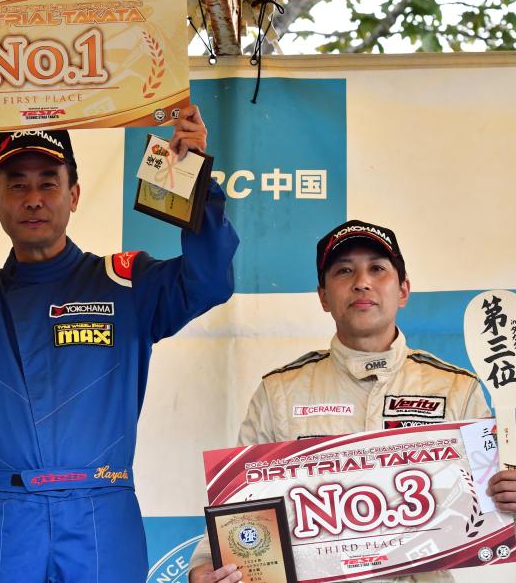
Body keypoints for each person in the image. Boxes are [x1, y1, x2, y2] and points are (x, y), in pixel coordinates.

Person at [0, 106, 239, 582]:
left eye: (48, 183)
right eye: (16, 185)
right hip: (1, 516)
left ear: (74, 195)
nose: (33, 199)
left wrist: (193, 172)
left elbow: (209, 280)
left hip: (102, 513)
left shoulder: (127, 284)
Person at [189, 219, 516, 583]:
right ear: (323, 296)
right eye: (344, 270)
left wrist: (510, 498)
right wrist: (207, 564)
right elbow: (241, 508)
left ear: (403, 290)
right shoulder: (279, 392)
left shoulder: (456, 389)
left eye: (377, 268)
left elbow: (494, 512)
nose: (362, 281)